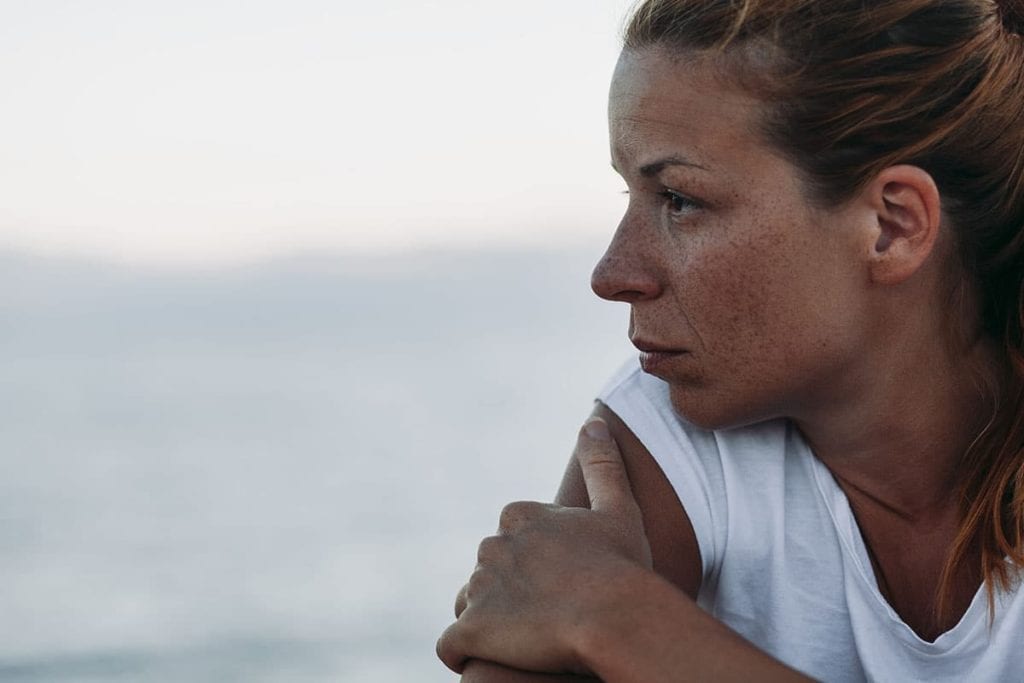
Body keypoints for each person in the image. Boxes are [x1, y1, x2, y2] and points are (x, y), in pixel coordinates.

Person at [437, 0, 1024, 679]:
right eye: (630, 196)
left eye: (681, 200)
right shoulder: (677, 428)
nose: (611, 274)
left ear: (892, 225)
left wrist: (618, 618)